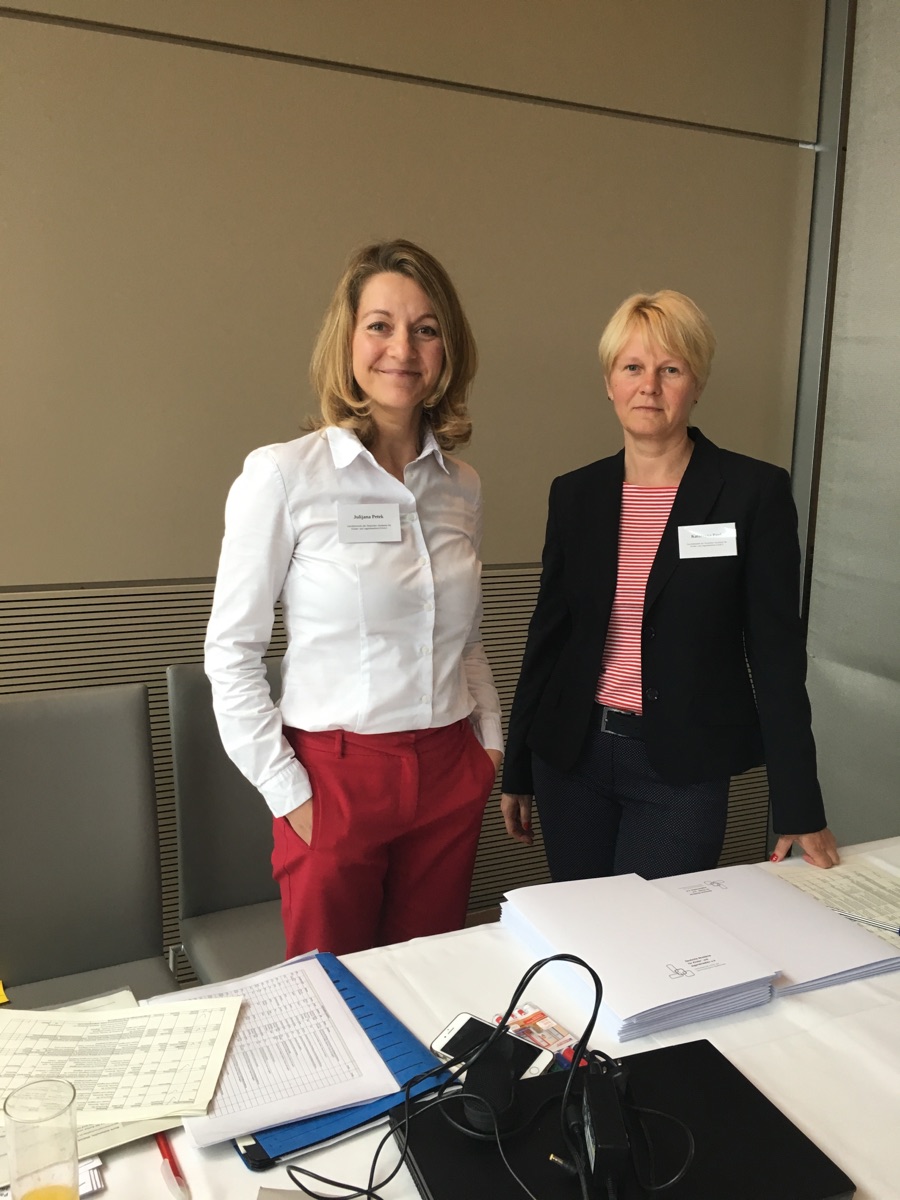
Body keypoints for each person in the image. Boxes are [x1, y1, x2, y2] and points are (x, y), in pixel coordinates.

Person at [205, 239, 503, 957]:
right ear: (347, 341)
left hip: (449, 769)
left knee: (430, 983)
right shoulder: (284, 476)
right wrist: (289, 792)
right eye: (380, 325)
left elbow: (464, 638)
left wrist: (490, 745)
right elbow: (231, 653)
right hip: (334, 779)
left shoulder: (461, 486)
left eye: (425, 329)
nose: (402, 349)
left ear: (447, 351)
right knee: (333, 995)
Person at [500, 289, 838, 881]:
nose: (649, 386)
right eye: (632, 367)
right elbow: (547, 638)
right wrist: (519, 766)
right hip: (572, 759)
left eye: (671, 369)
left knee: (658, 929)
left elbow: (777, 656)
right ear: (609, 382)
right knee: (584, 924)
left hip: (681, 770)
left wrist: (798, 802)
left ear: (697, 382)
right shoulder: (576, 494)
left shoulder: (752, 493)